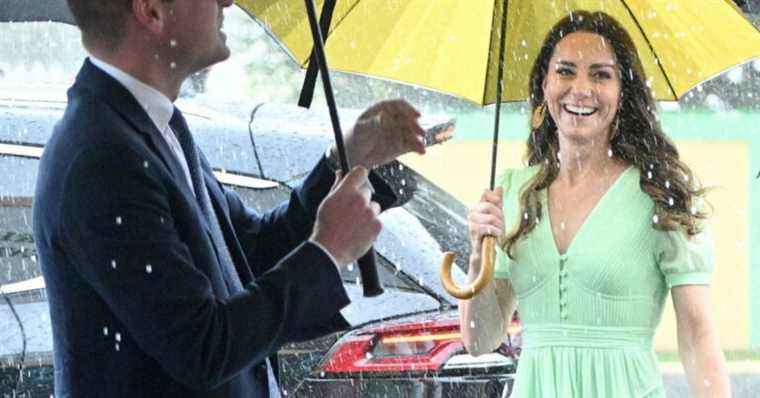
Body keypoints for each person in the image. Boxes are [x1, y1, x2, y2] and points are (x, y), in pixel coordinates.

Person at [32, 0, 427, 397]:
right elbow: (202, 348)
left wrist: (344, 159)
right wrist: (328, 250)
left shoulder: (153, 127)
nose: (227, 1)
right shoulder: (102, 159)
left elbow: (248, 253)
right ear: (151, 11)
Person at [460, 11, 730, 398]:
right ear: (544, 85)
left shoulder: (657, 192)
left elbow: (698, 335)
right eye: (565, 71)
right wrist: (477, 256)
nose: (581, 89)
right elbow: (480, 340)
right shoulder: (512, 192)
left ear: (623, 94)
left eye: (600, 74)